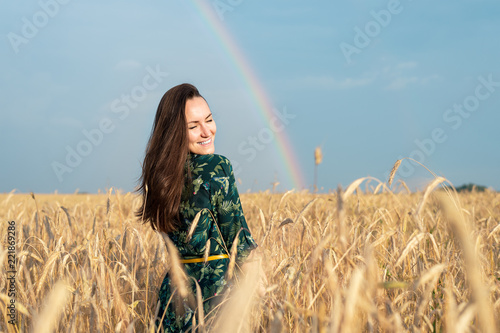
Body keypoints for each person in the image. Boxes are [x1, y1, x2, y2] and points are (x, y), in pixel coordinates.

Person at [136, 83, 259, 332]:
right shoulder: (217, 166)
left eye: (209, 120)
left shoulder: (159, 176)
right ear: (176, 133)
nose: (207, 132)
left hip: (172, 300)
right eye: (193, 127)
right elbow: (240, 242)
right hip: (216, 297)